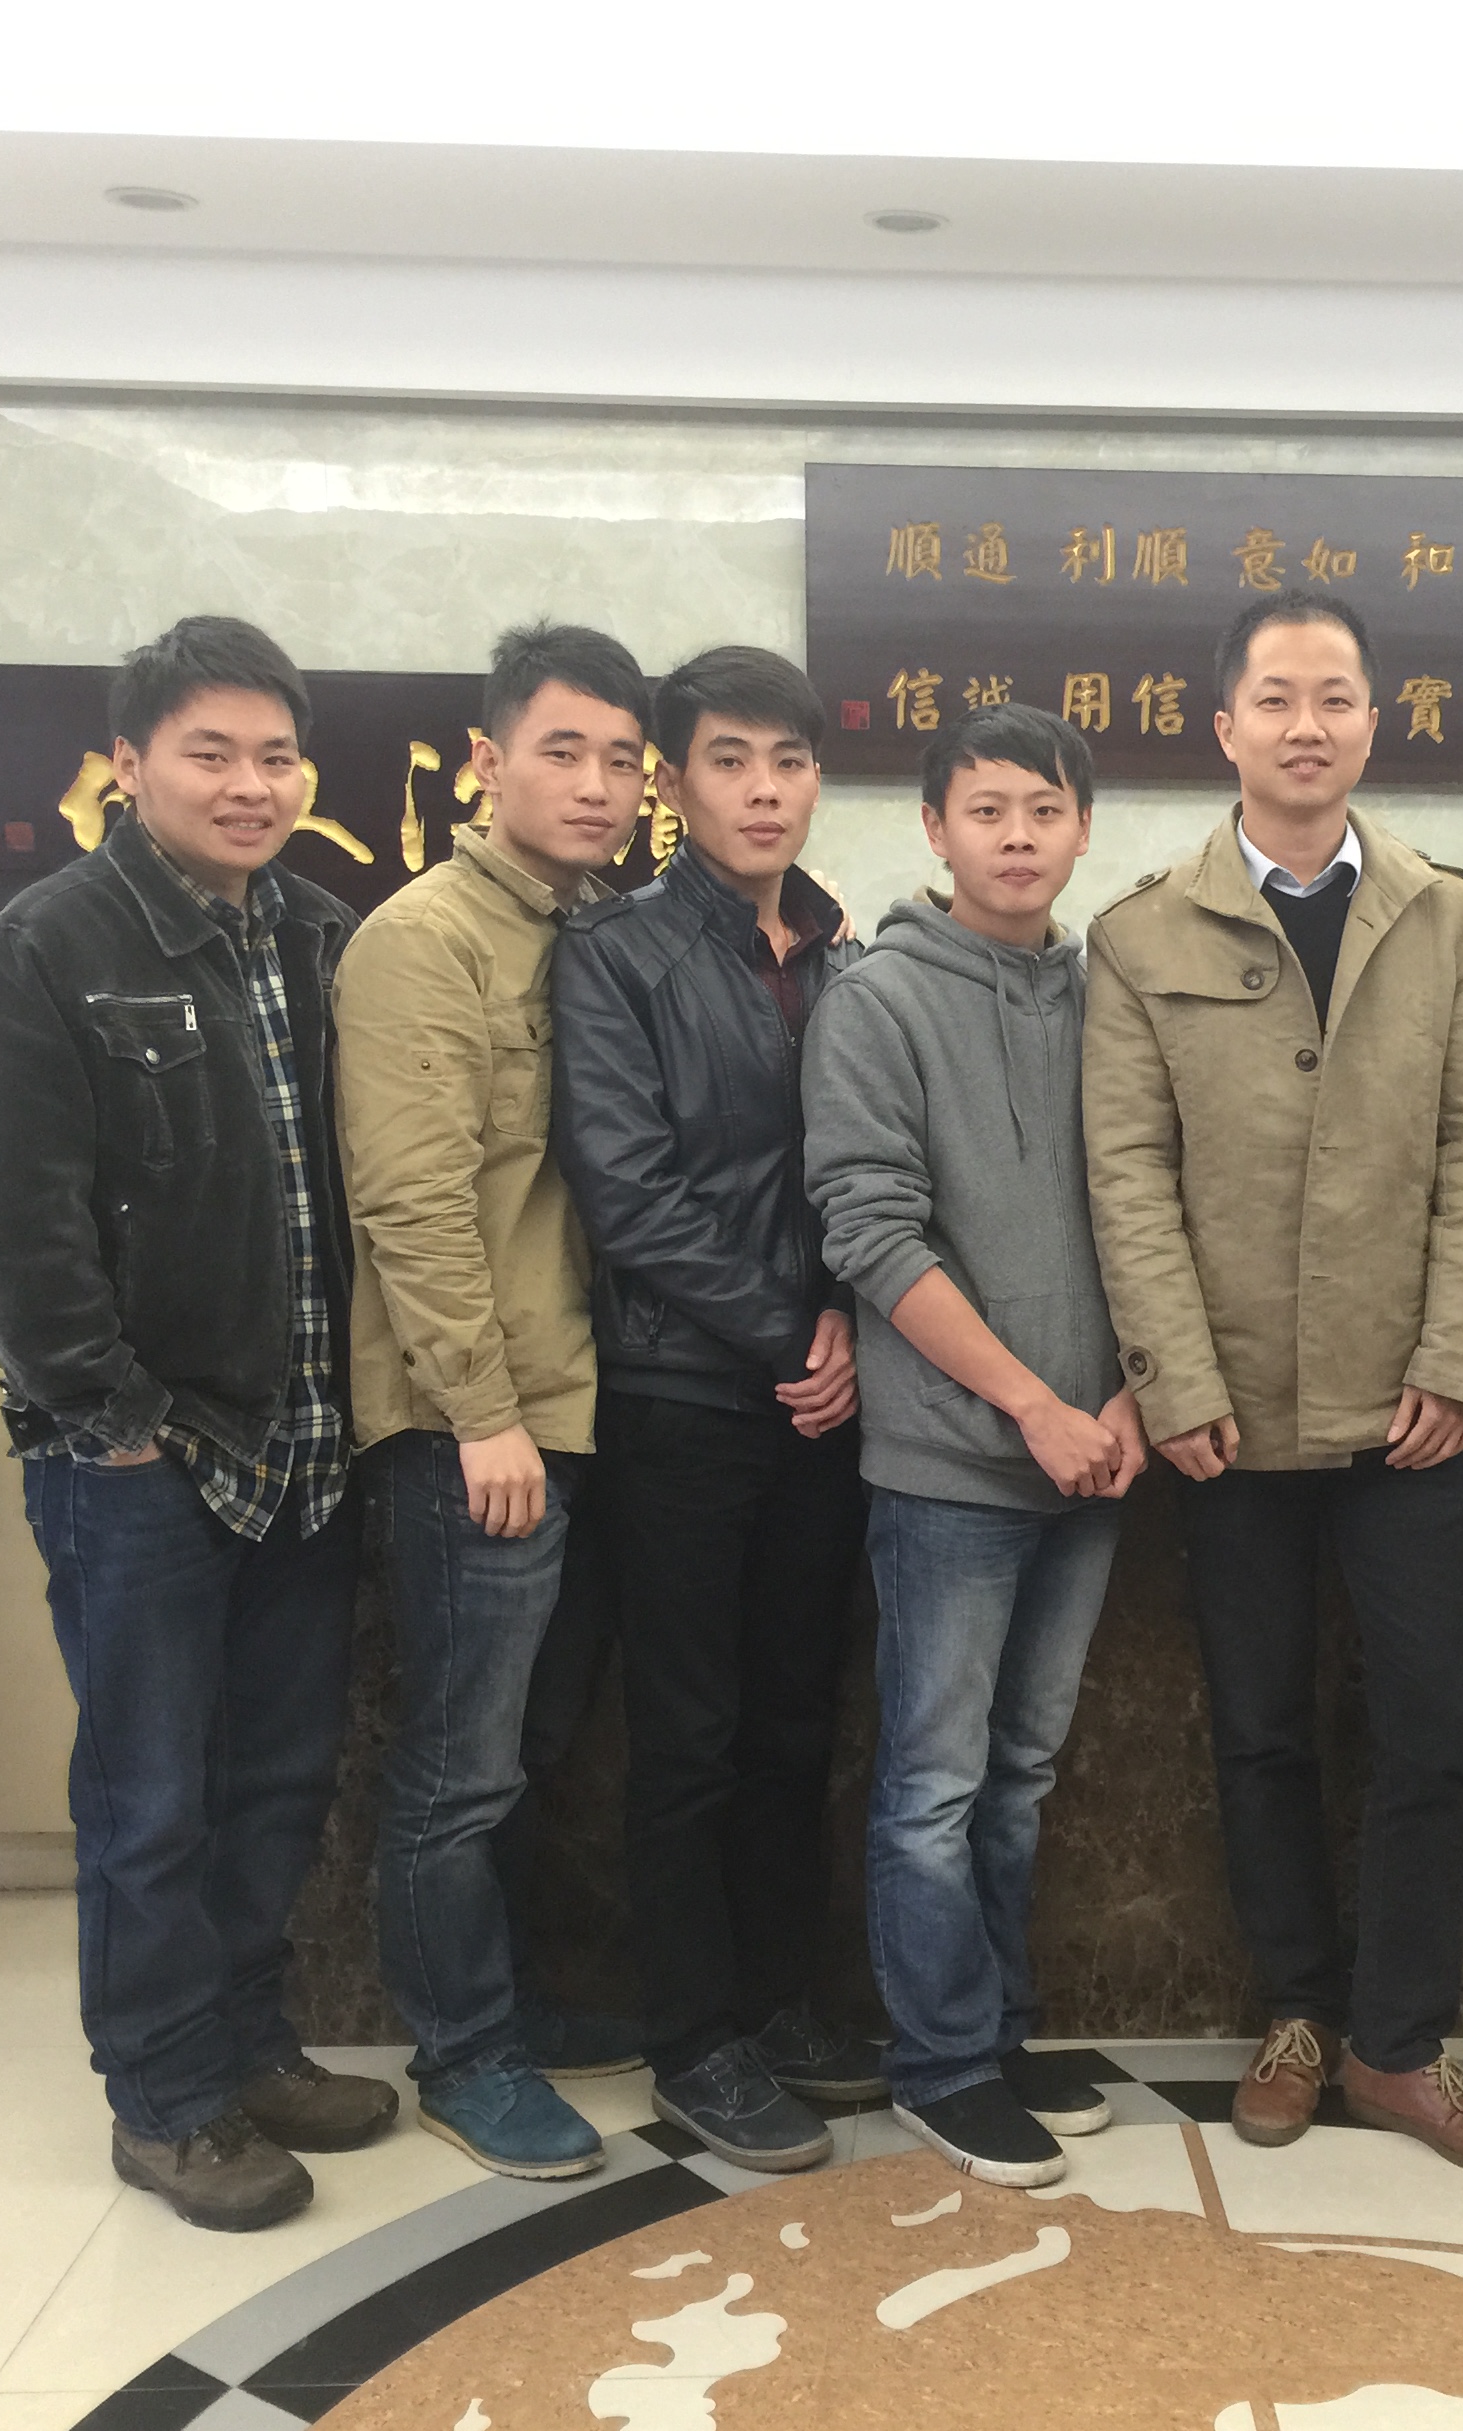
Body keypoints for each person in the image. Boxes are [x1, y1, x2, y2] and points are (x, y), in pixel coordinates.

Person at [0, 615, 396, 2232]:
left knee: (275, 1775)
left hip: (305, 1437)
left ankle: (247, 2045)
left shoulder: (323, 935)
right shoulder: (50, 947)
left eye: (276, 755)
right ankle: (164, 2098)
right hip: (141, 1456)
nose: (250, 784)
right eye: (211, 752)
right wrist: (112, 1415)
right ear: (130, 766)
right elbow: (6, 1212)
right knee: (151, 1794)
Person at [1084, 586, 1463, 2178]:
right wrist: (1175, 1377)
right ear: (1225, 728)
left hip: (1416, 1415)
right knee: (1260, 1728)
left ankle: (1398, 2047)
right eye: (1274, 697)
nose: (1306, 725)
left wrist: (1457, 1361)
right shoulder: (1140, 933)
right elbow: (1128, 1172)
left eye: (1334, 696)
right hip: (1232, 1415)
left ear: (1373, 723)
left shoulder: (1447, 915)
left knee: (1434, 1733)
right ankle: (1293, 2013)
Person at [803, 704, 1148, 2190]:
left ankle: (1000, 2031)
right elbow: (872, 1232)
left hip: (1101, 1457)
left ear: (1083, 830)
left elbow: (1158, 1202)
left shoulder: (1110, 994)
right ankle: (940, 2063)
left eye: (1044, 810)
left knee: (1022, 1772)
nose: (1017, 837)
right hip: (955, 1463)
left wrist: (1131, 1395)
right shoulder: (877, 1000)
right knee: (934, 1784)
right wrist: (1034, 1405)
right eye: (987, 810)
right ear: (935, 830)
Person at [550, 644, 879, 2172]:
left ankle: (776, 2003)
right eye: (731, 761)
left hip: (828, 1399)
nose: (765, 790)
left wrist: (848, 1323)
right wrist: (787, 1333)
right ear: (675, 783)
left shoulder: (843, 951)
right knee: (685, 1731)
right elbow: (629, 1193)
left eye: (790, 762)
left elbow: (867, 1167)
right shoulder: (616, 954)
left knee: (795, 1721)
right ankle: (692, 2039)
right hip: (681, 1396)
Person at [334, 621, 655, 2182]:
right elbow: (413, 1203)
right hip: (478, 1425)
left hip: (575, 1405)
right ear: (487, 761)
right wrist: (480, 1416)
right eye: (562, 751)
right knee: (459, 1766)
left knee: (526, 1745)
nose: (596, 786)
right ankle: (463, 2052)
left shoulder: (587, 931)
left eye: (621, 760)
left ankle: (512, 2001)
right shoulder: (425, 942)